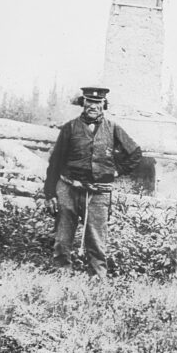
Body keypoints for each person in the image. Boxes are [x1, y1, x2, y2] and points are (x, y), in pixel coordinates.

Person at [44, 86, 142, 278]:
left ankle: (97, 279)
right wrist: (49, 194)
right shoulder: (70, 127)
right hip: (68, 188)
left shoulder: (113, 128)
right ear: (83, 103)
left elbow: (135, 153)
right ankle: (60, 274)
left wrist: (117, 171)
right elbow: (55, 162)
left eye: (97, 103)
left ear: (103, 105)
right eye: (89, 101)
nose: (93, 106)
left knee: (96, 239)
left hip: (98, 193)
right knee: (62, 238)